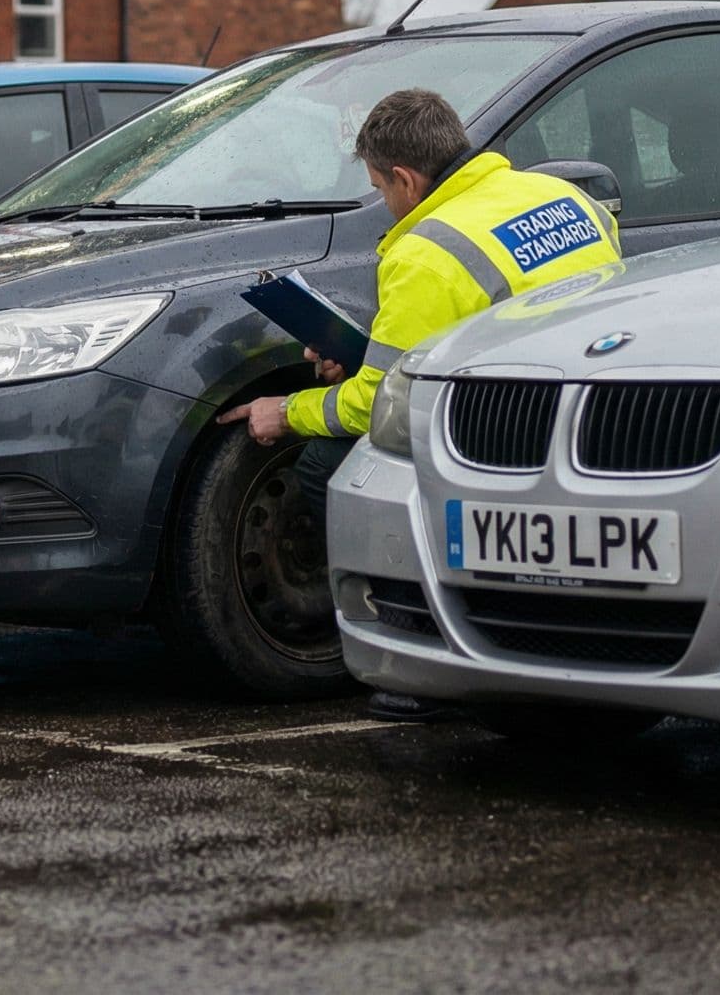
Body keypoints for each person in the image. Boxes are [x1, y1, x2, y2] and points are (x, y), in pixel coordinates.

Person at [218, 86, 623, 719]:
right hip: (597, 414)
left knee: (332, 468)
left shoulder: (424, 253)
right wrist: (358, 361)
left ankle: (426, 648)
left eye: (380, 187)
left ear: (405, 178)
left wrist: (287, 411)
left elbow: (375, 406)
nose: (384, 201)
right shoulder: (562, 197)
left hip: (500, 437)